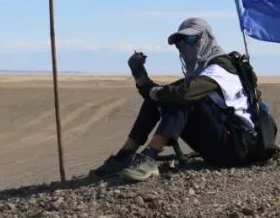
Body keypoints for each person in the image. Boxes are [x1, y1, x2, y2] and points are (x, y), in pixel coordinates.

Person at [94, 17, 257, 182]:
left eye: (190, 38)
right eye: (180, 41)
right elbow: (162, 95)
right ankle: (125, 155)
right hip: (219, 145)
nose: (184, 45)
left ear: (206, 38)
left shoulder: (220, 67)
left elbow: (183, 94)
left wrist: (157, 93)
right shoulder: (201, 71)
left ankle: (149, 157)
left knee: (183, 99)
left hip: (237, 147)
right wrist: (139, 75)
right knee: (169, 96)